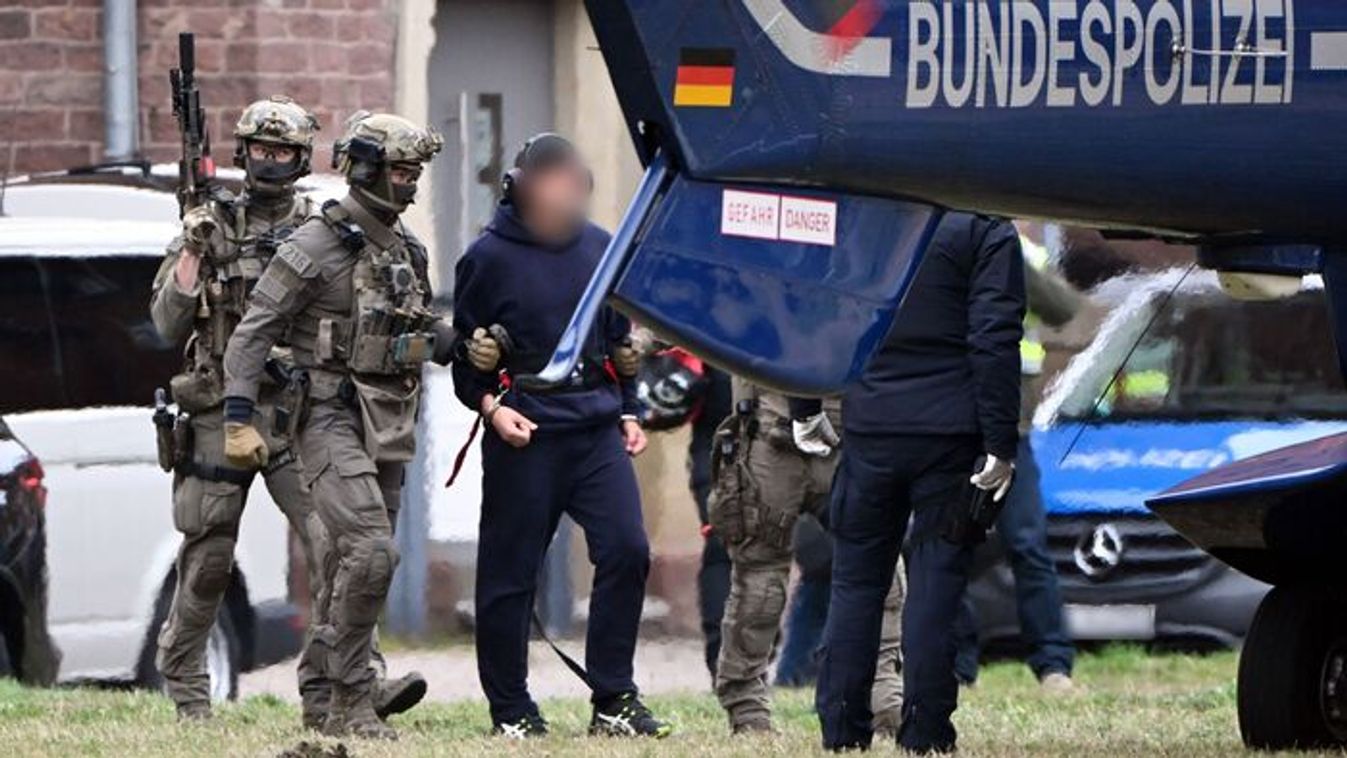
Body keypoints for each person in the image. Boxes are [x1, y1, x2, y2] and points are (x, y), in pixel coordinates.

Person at [222, 111, 447, 739]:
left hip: (387, 422)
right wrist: (238, 419)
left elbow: (414, 324)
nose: (410, 184)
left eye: (416, 173)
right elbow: (250, 336)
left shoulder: (406, 248)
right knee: (371, 553)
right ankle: (353, 695)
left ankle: (322, 697)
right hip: (324, 417)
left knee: (354, 565)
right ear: (367, 169)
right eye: (401, 171)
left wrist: (461, 342)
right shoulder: (315, 244)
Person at [452, 133, 670, 739]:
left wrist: (629, 411)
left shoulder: (602, 248)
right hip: (525, 433)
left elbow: (618, 346)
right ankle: (512, 710)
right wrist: (492, 410)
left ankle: (614, 700)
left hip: (595, 429)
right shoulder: (486, 258)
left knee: (627, 549)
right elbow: (465, 360)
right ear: (520, 187)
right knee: (510, 573)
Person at [149, 96, 344, 724]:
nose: (270, 161)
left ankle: (333, 690)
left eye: (283, 152)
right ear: (243, 152)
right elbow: (165, 322)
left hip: (294, 413)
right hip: (216, 411)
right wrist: (193, 250)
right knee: (208, 556)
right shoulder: (212, 223)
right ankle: (187, 687)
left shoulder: (321, 228)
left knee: (335, 545)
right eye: (260, 149)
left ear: (300, 159)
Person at [816, 212, 1026, 753]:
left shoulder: (861, 213)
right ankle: (926, 732)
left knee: (855, 583)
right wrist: (1001, 441)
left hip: (870, 424)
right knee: (936, 583)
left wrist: (804, 405)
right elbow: (994, 336)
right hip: (948, 431)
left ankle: (842, 730)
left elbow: (818, 308)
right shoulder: (984, 225)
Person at [710, 381, 905, 737]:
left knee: (878, 565)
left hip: (845, 430)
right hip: (776, 432)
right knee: (762, 582)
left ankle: (884, 698)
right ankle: (747, 707)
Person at [954, 237, 1084, 691]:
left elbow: (1062, 308)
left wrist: (1008, 257)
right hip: (955, 419)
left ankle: (1053, 665)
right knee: (950, 544)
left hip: (1012, 425)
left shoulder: (1023, 250)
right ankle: (957, 666)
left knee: (1027, 544)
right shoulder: (945, 239)